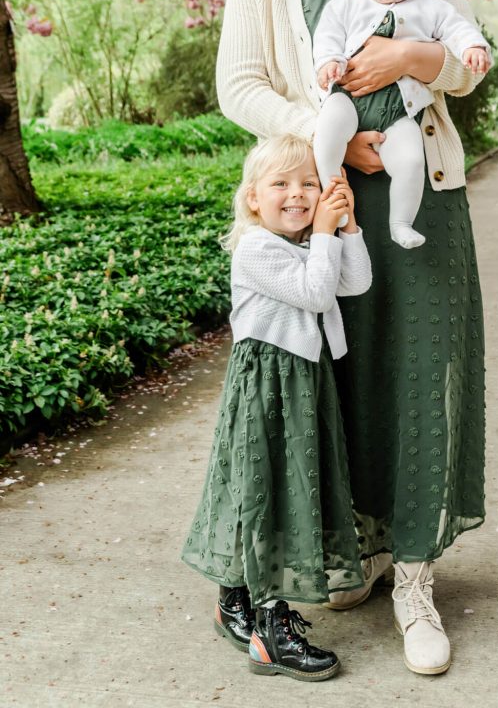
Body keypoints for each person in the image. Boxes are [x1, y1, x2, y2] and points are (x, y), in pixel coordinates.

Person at [214, 0, 487, 677]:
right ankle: (356, 550)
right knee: (333, 380)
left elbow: (471, 63)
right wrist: (330, 129)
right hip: (318, 202)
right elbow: (239, 85)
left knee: (416, 375)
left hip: (418, 200)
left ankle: (414, 578)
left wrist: (414, 60)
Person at [181, 134, 372, 681]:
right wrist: (323, 233)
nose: (298, 194)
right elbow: (316, 295)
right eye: (281, 184)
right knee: (270, 493)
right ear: (253, 200)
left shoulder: (313, 245)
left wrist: (349, 226)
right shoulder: (258, 249)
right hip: (268, 386)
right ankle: (270, 628)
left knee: (281, 487)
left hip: (305, 383)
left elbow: (354, 282)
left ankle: (236, 600)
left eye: (309, 184)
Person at [313, 0, 491, 249]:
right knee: (328, 130)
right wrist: (329, 62)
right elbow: (328, 37)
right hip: (348, 99)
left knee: (411, 159)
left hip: (399, 112)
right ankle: (331, 185)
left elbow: (457, 28)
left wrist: (472, 47)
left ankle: (401, 222)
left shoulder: (429, 8)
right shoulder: (346, 4)